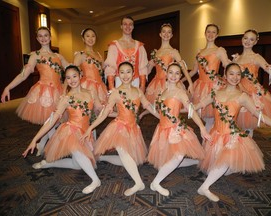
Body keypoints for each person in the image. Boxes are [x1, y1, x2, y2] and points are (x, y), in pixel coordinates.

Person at [194, 63, 271, 202]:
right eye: (231, 73)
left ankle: (204, 187)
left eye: (238, 74)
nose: (235, 77)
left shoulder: (242, 96)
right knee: (208, 165)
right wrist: (174, 110)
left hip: (232, 137)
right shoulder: (215, 93)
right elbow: (196, 107)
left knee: (225, 162)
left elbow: (259, 115)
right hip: (215, 135)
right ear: (225, 74)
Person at [81, 61, 159, 196]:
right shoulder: (116, 93)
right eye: (122, 72)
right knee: (122, 151)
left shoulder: (138, 91)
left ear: (133, 73)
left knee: (128, 160)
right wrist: (90, 128)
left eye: (128, 71)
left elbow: (147, 106)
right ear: (118, 74)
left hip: (133, 128)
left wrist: (161, 117)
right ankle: (138, 183)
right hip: (119, 127)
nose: (125, 75)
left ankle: (102, 158)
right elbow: (104, 114)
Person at [22, 65, 101, 194]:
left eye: (74, 76)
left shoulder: (91, 92)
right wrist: (34, 139)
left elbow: (99, 109)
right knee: (75, 148)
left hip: (86, 131)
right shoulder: (66, 99)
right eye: (68, 78)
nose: (72, 80)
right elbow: (51, 122)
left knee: (77, 165)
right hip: (71, 130)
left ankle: (48, 164)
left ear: (80, 75)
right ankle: (95, 180)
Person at [147, 63, 211, 197]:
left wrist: (202, 127)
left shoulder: (180, 92)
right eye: (171, 72)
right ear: (166, 73)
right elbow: (160, 112)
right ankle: (196, 162)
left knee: (179, 155)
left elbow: (191, 111)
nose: (174, 76)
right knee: (166, 160)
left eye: (177, 73)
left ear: (181, 76)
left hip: (174, 129)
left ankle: (155, 183)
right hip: (162, 129)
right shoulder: (163, 92)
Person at [1, 26, 69, 125]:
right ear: (37, 39)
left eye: (46, 35)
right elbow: (23, 75)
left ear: (50, 37)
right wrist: (8, 87)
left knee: (57, 120)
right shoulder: (35, 55)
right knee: (49, 121)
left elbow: (71, 69)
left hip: (59, 90)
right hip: (44, 91)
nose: (43, 38)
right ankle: (45, 140)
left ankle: (44, 140)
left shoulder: (58, 56)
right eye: (40, 36)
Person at [233, 29, 271, 137]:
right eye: (246, 38)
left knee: (248, 127)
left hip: (252, 94)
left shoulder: (256, 57)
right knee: (236, 126)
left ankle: (248, 149)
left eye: (251, 39)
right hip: (238, 93)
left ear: (255, 42)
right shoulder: (236, 59)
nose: (248, 41)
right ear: (242, 39)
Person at [140, 23, 194, 119]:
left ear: (171, 35)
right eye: (164, 32)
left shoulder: (173, 52)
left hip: (170, 82)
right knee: (158, 109)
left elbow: (182, 68)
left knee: (170, 108)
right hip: (156, 84)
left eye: (169, 32)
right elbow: (148, 71)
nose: (166, 34)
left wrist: (190, 83)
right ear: (160, 34)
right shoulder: (156, 53)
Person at [186, 24, 230, 132]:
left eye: (213, 32)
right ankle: (210, 136)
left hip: (214, 86)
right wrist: (180, 80)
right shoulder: (199, 52)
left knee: (211, 117)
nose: (210, 34)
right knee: (205, 116)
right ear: (205, 33)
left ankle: (208, 141)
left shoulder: (220, 50)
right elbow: (193, 71)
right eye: (208, 32)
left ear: (217, 35)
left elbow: (227, 65)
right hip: (200, 86)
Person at [104, 16, 148, 92]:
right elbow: (110, 67)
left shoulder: (140, 46)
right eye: (125, 24)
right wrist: (111, 87)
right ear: (121, 26)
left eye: (130, 24)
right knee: (121, 102)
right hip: (120, 80)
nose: (128, 26)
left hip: (135, 80)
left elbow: (142, 67)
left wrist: (143, 86)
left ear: (133, 27)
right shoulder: (114, 45)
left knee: (135, 102)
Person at [74, 28, 108, 110]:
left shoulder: (98, 54)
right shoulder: (80, 54)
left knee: (100, 112)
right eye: (87, 36)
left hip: (100, 85)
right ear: (83, 39)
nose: (90, 38)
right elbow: (73, 71)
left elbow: (104, 68)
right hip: (87, 86)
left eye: (93, 36)